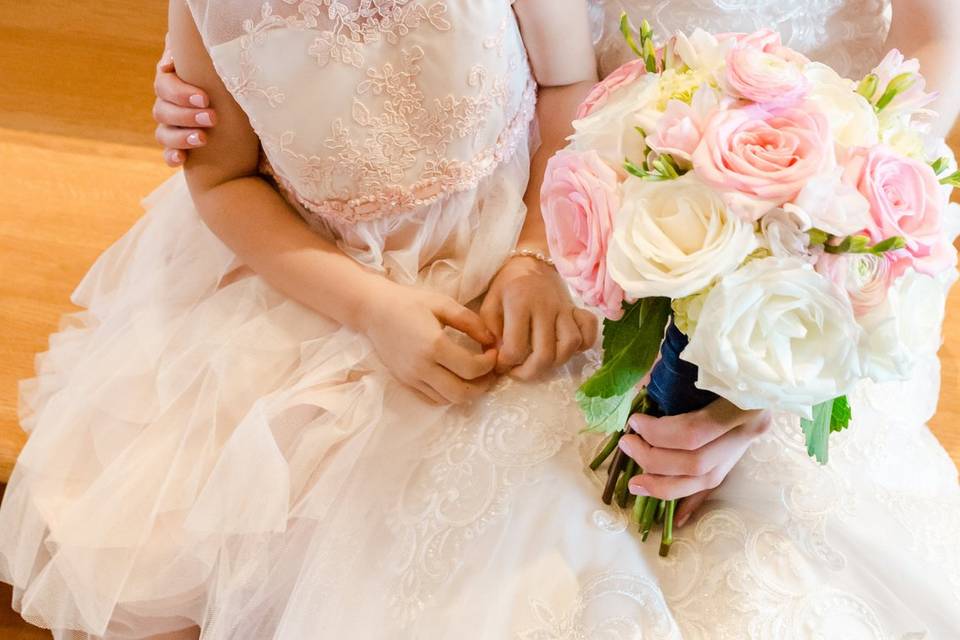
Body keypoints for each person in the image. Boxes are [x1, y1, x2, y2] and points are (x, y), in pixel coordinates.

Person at [3, 1, 959, 638]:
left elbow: (925, 64)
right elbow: (236, 149)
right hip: (555, 198)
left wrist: (777, 309)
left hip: (757, 196)